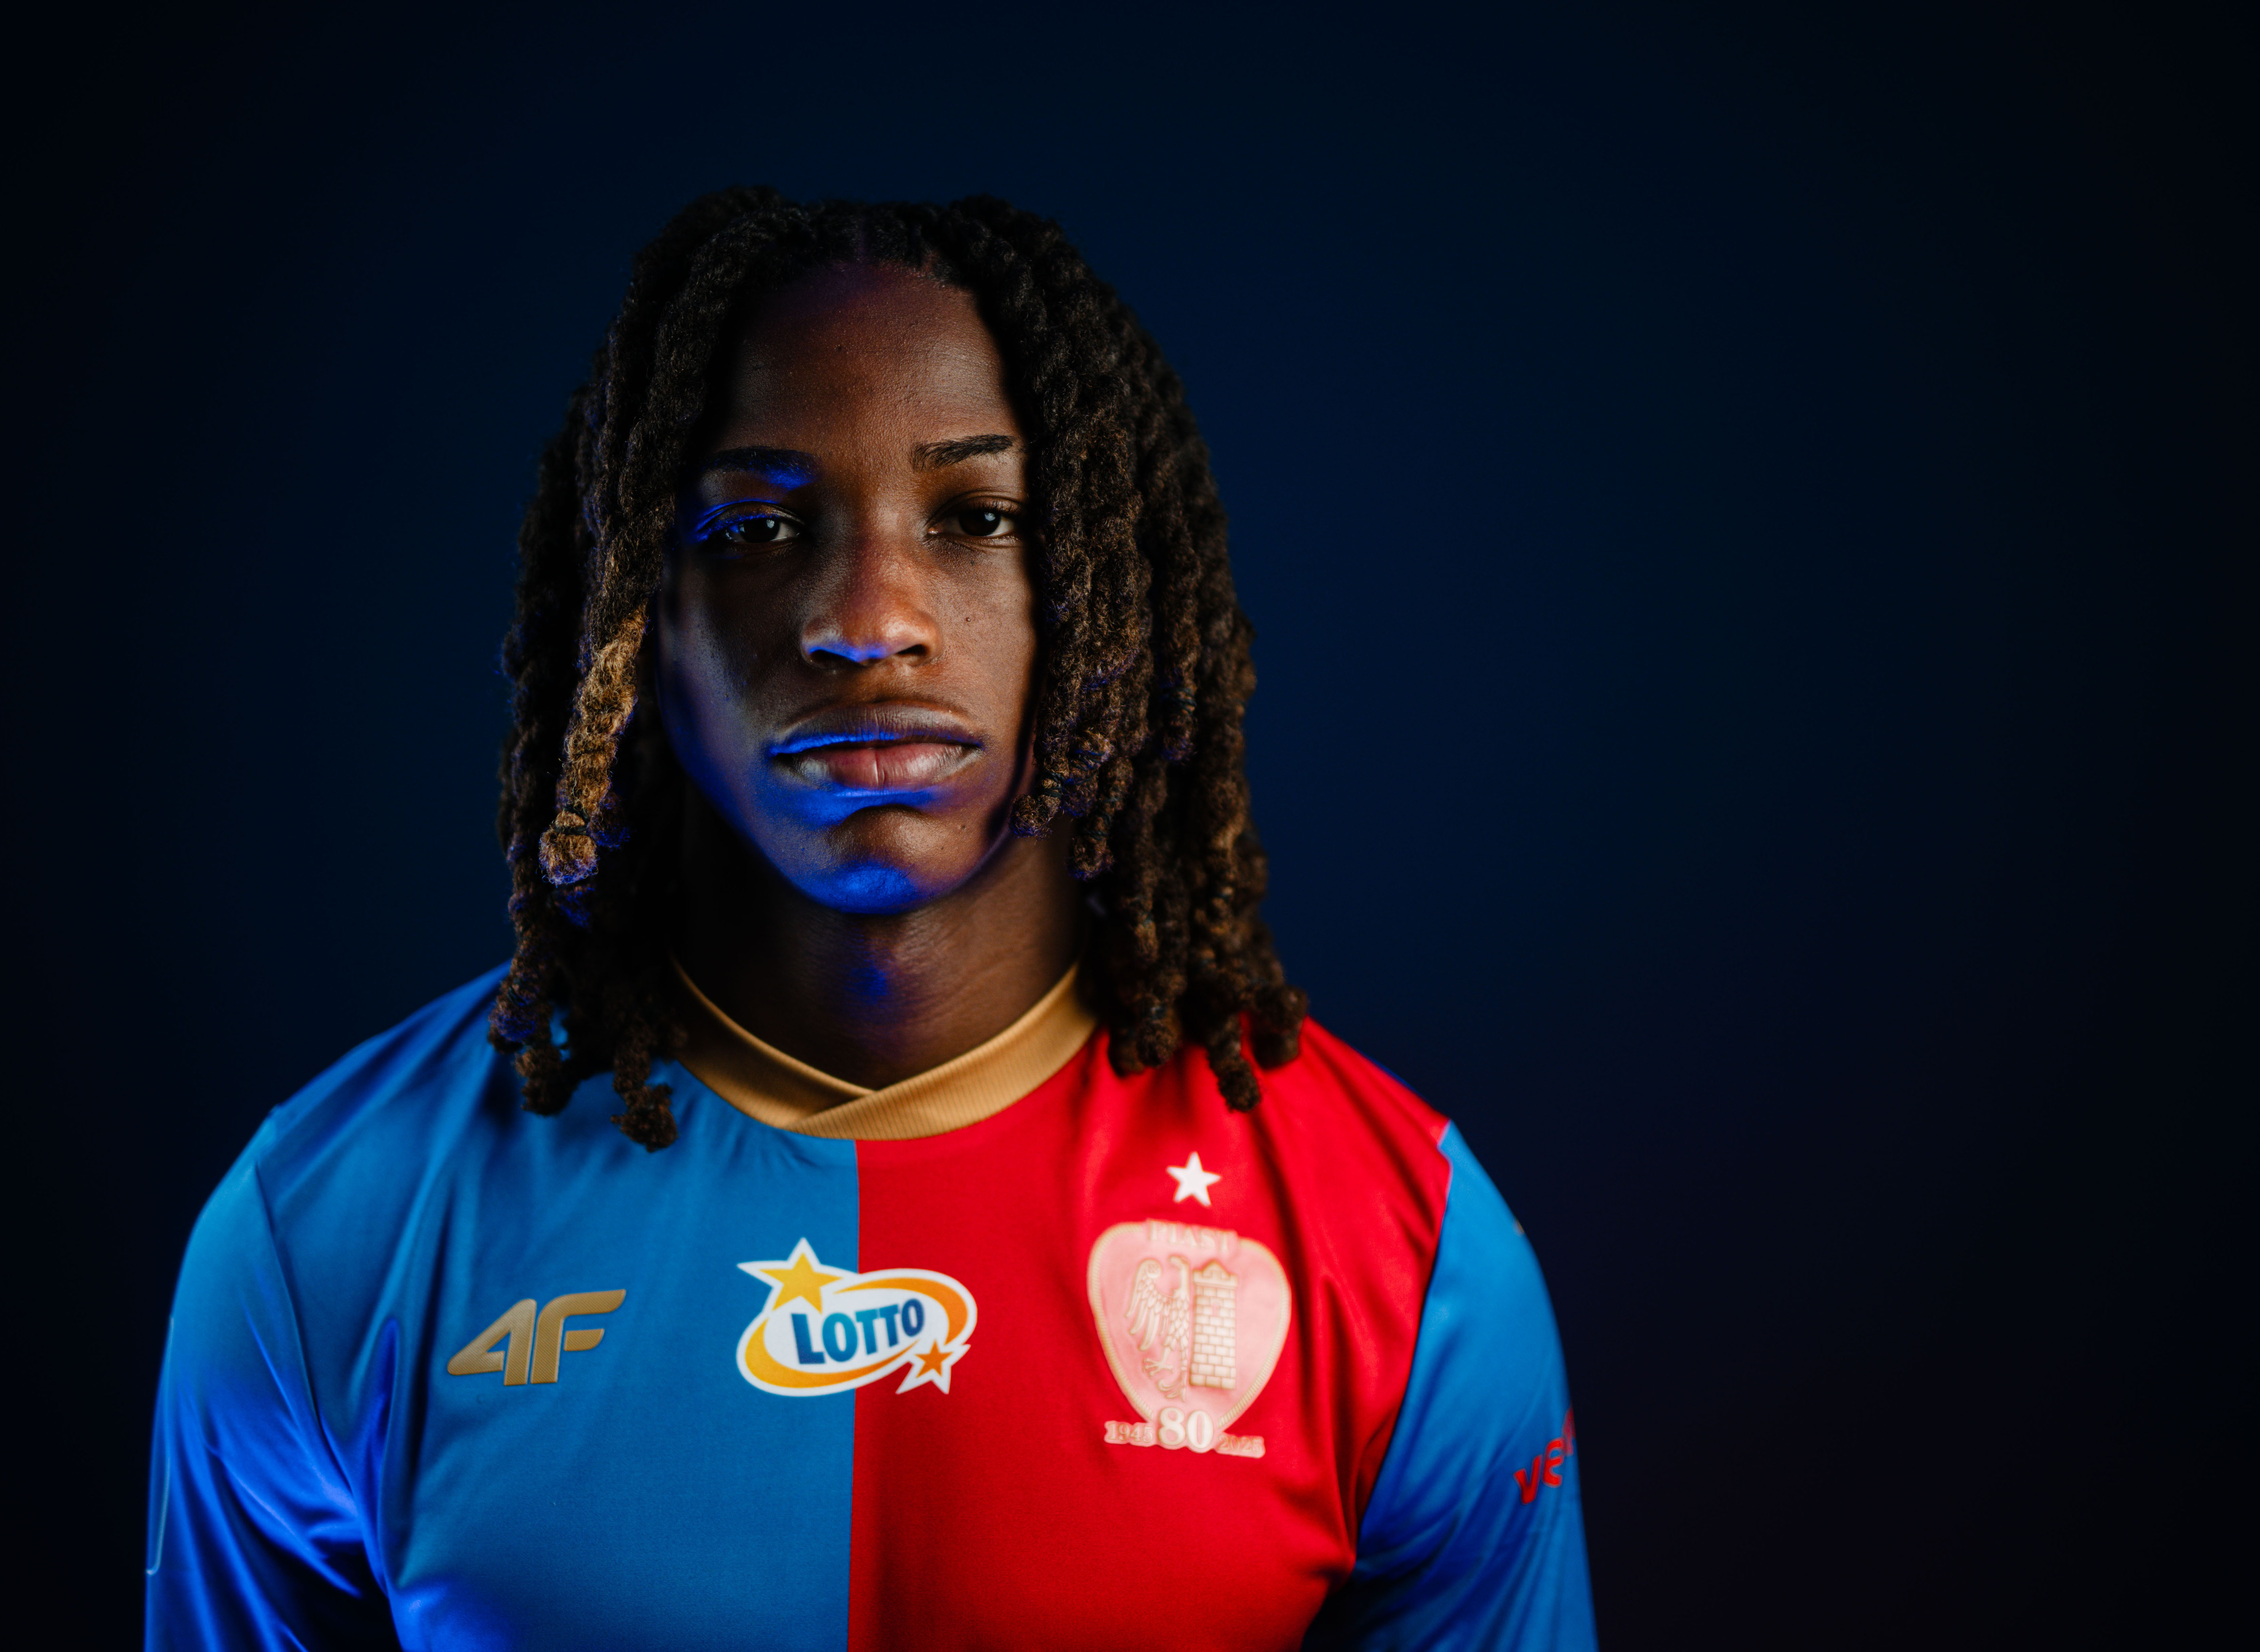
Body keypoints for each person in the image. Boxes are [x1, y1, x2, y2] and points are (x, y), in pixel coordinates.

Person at [144, 189, 1596, 1650]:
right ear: (632, 619)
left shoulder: (1403, 1256)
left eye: (978, 520)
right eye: (757, 526)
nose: (867, 619)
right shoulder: (329, 1231)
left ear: (1115, 587)